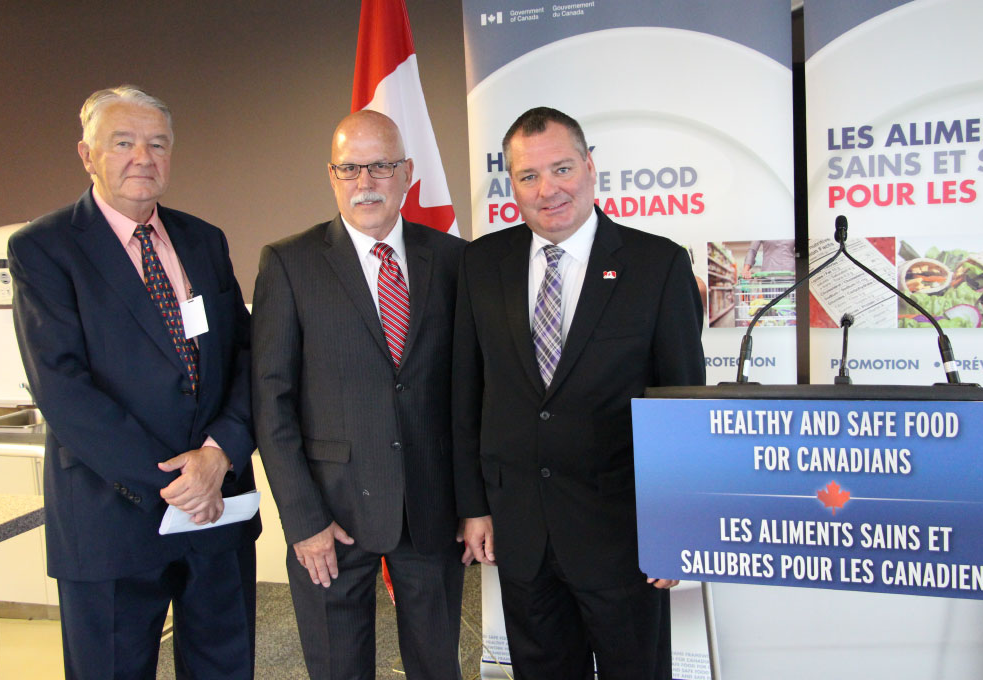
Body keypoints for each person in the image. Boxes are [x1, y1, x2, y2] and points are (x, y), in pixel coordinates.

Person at [9, 85, 258, 679]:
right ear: (87, 154)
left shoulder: (204, 239)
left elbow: (249, 356)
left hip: (217, 515)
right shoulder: (44, 248)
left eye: (157, 144)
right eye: (123, 143)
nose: (143, 157)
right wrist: (178, 481)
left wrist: (218, 456)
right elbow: (63, 388)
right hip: (112, 522)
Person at [453, 107, 706, 680]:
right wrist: (473, 504)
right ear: (511, 185)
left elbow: (683, 404)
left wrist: (677, 528)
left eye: (562, 168)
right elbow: (466, 395)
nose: (549, 190)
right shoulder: (481, 263)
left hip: (623, 537)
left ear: (591, 168)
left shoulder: (656, 264)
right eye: (529, 177)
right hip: (520, 532)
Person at [252, 109, 468, 680]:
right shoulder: (289, 263)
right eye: (350, 169)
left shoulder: (451, 259)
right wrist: (301, 519)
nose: (365, 182)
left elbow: (469, 394)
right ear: (331, 176)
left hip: (430, 511)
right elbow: (271, 402)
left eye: (381, 166)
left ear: (407, 174)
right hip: (330, 516)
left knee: (437, 668)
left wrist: (473, 503)